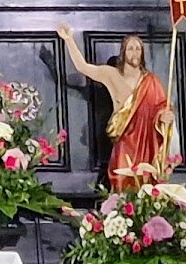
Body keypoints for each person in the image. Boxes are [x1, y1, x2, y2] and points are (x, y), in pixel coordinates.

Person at [58, 26, 175, 189]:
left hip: (146, 143)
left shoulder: (151, 81)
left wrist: (164, 115)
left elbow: (162, 105)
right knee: (121, 179)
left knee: (146, 183)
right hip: (125, 140)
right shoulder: (112, 75)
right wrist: (69, 40)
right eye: (130, 48)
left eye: (138, 49)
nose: (134, 53)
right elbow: (83, 67)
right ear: (123, 52)